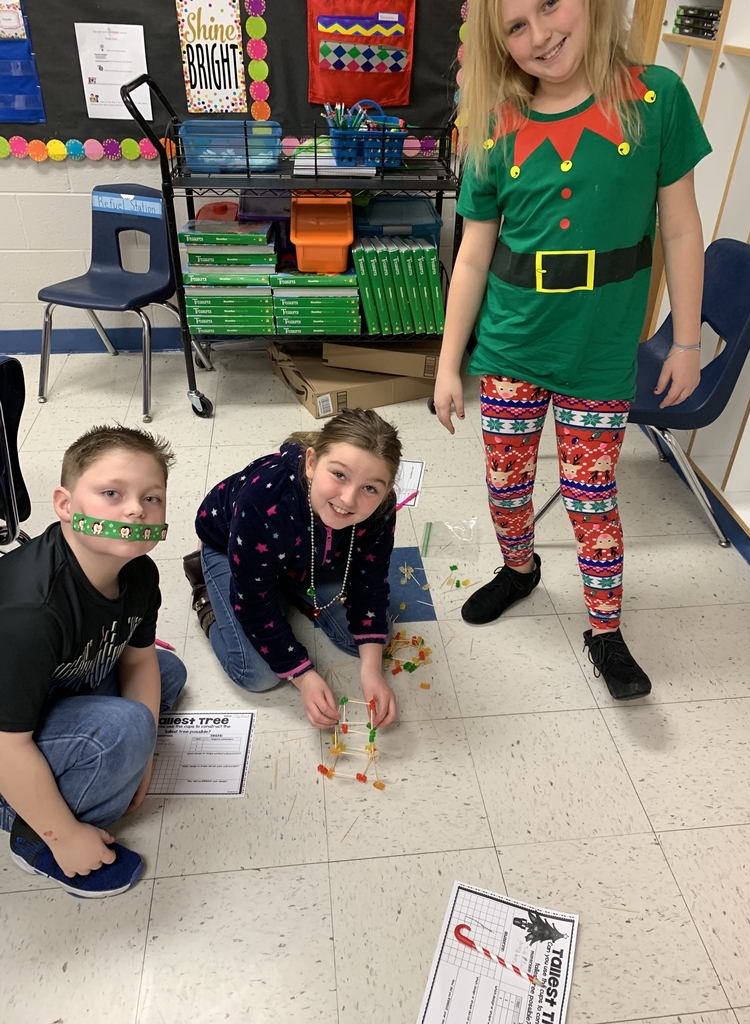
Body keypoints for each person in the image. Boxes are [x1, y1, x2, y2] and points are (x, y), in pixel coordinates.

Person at [434, 0, 711, 700]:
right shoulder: (494, 124)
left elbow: (680, 230)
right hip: (509, 347)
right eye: (515, 28)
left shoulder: (656, 98)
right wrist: (447, 365)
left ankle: (606, 630)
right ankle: (520, 569)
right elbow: (472, 255)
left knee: (592, 498)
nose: (539, 35)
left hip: (597, 353)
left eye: (549, 7)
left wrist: (685, 340)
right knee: (506, 485)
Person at [0, 426, 186, 897]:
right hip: (6, 745)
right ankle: (32, 837)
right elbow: (7, 746)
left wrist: (140, 760)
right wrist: (65, 837)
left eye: (152, 498)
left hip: (47, 694)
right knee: (125, 727)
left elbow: (140, 663)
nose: (134, 510)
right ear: (65, 505)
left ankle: (107, 750)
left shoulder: (138, 572)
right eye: (111, 493)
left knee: (167, 673)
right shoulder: (31, 614)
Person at [185, 408, 401, 729]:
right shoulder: (261, 503)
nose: (348, 499)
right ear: (312, 463)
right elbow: (254, 606)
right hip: (229, 546)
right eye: (339, 475)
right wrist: (303, 676)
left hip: (305, 554)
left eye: (370, 488)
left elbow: (369, 582)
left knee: (371, 638)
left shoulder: (381, 509)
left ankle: (290, 580)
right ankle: (207, 594)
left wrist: (372, 673)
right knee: (256, 675)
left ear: (385, 490)